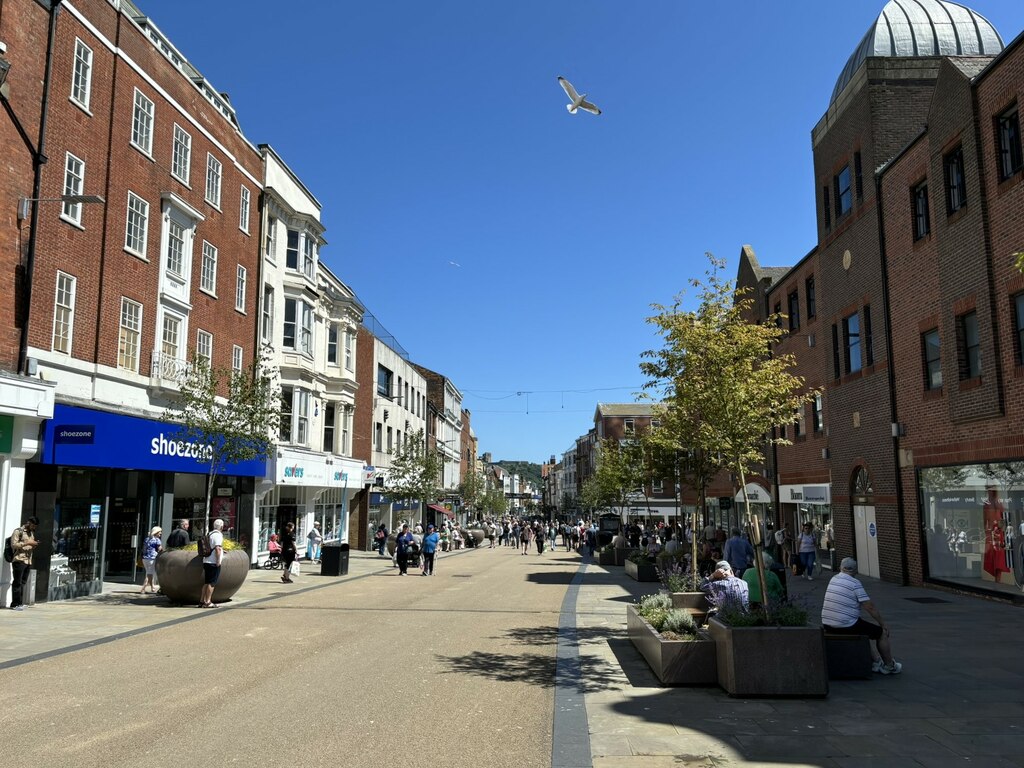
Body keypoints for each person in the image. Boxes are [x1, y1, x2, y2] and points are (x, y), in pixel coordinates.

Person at [821, 557, 902, 675]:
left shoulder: (833, 579)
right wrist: (883, 624)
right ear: (855, 570)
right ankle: (889, 666)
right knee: (881, 633)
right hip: (846, 625)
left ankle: (876, 662)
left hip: (827, 623)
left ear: (841, 568)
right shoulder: (855, 583)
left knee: (863, 629)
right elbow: (869, 607)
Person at [9, 516, 40, 611]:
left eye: (35, 526)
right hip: (19, 560)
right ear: (29, 523)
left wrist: (34, 544)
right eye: (33, 525)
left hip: (28, 560)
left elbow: (30, 545)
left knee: (23, 582)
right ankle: (14, 604)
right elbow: (14, 545)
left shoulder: (31, 533)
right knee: (17, 582)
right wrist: (27, 543)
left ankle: (20, 603)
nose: (34, 528)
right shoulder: (18, 531)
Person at [199, 519, 224, 608]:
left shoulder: (210, 534)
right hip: (213, 562)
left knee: (206, 582)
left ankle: (202, 601)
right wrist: (218, 561)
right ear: (221, 527)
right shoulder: (218, 535)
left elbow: (211, 546)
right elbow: (217, 548)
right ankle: (208, 601)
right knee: (212, 583)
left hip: (206, 560)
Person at [140, 526, 163, 594]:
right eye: (160, 532)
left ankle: (152, 587)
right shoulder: (157, 540)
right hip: (152, 559)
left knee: (149, 573)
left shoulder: (147, 539)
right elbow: (160, 549)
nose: (160, 534)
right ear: (156, 532)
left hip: (145, 559)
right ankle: (143, 589)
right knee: (149, 574)